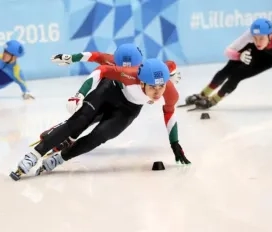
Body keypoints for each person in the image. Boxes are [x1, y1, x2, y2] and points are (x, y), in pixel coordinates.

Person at [10, 58, 190, 181]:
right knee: (78, 121)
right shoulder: (129, 74)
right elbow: (102, 69)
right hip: (108, 92)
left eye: (161, 86)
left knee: (99, 136)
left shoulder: (170, 91)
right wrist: (79, 94)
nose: (158, 91)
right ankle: (33, 155)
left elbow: (169, 112)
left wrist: (175, 143)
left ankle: (59, 159)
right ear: (141, 82)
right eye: (152, 87)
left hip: (128, 109)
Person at [36, 45, 181, 153]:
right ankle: (70, 135)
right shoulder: (112, 62)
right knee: (89, 114)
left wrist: (172, 75)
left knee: (102, 118)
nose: (126, 73)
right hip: (110, 87)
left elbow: (170, 65)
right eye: (120, 68)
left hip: (129, 102)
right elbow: (94, 56)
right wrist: (71, 58)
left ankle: (70, 136)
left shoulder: (148, 74)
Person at [184, 18, 272, 110]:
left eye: (261, 38)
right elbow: (227, 51)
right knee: (228, 69)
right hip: (252, 50)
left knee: (237, 75)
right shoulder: (250, 34)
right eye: (255, 38)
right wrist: (239, 56)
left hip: (270, 58)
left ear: (270, 36)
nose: (257, 42)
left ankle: (213, 100)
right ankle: (203, 94)